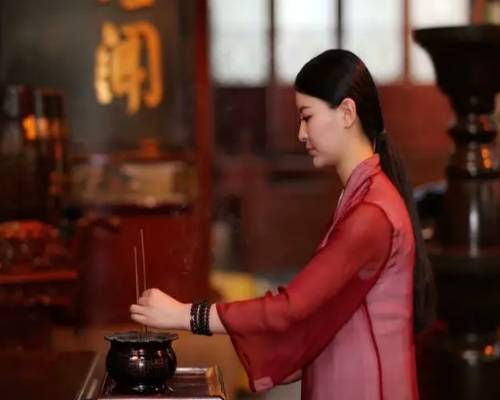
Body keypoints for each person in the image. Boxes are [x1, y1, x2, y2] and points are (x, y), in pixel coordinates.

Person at [130, 49, 435, 400]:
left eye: (307, 117)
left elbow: (293, 306)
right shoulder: (364, 197)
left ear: (347, 113)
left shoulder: (372, 213)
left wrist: (186, 315)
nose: (301, 133)